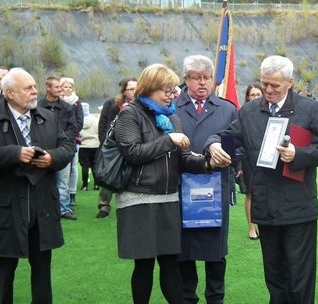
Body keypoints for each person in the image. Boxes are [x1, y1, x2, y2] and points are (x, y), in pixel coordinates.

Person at [206, 55, 318, 303]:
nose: (268, 90)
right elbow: (230, 137)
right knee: (274, 276)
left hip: (299, 207)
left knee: (300, 277)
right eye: (265, 84)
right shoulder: (250, 111)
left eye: (275, 85)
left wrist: (298, 154)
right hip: (265, 205)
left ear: (290, 82)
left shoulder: (308, 109)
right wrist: (213, 143)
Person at [113, 63, 226, 304]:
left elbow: (182, 160)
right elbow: (132, 152)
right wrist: (169, 141)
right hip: (138, 200)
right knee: (143, 266)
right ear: (150, 88)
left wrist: (208, 164)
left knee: (171, 264)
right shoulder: (129, 114)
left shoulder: (171, 118)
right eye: (166, 90)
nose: (172, 94)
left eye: (173, 90)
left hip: (168, 199)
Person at [0, 67, 75, 304]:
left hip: (43, 206)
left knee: (42, 272)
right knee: (3, 272)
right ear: (10, 93)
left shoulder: (48, 117)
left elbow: (67, 148)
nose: (35, 91)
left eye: (35, 86)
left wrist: (51, 158)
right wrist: (15, 154)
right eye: (28, 88)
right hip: (5, 208)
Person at [174, 55, 237, 304]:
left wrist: (224, 155)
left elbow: (236, 149)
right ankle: (187, 297)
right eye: (196, 78)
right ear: (186, 79)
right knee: (184, 251)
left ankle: (216, 298)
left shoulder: (228, 109)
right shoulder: (173, 108)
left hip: (216, 188)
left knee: (215, 252)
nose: (202, 83)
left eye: (207, 78)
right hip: (181, 189)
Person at [96, 77, 137, 218]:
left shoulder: (141, 105)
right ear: (124, 91)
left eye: (136, 88)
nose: (134, 92)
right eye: (131, 89)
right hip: (113, 147)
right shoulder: (112, 104)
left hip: (132, 147)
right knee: (109, 175)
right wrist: (105, 143)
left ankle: (128, 203)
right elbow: (103, 125)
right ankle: (104, 204)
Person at [38, 76, 78, 220]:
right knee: (44, 180)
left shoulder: (67, 107)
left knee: (63, 180)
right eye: (57, 87)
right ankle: (45, 209)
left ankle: (63, 208)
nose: (60, 90)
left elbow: (73, 127)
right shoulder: (38, 107)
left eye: (61, 87)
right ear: (48, 88)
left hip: (62, 149)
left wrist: (61, 140)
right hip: (44, 148)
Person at [240, 83, 263, 240]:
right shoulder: (243, 113)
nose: (255, 97)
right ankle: (251, 227)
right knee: (250, 194)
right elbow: (236, 139)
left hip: (264, 159)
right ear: (247, 97)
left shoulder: (267, 111)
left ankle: (263, 225)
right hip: (247, 159)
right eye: (252, 94)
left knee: (262, 193)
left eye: (258, 94)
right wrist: (238, 165)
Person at [60, 77, 84, 209]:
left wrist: (70, 135)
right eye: (65, 86)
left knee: (73, 167)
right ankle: (61, 196)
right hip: (59, 140)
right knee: (62, 168)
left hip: (73, 139)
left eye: (70, 87)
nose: (68, 89)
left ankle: (72, 194)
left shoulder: (76, 102)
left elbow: (80, 121)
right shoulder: (58, 102)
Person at [78, 102, 100, 191]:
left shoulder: (79, 121)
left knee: (85, 166)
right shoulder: (95, 120)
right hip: (95, 145)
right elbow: (99, 131)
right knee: (95, 166)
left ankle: (85, 185)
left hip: (83, 146)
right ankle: (96, 185)